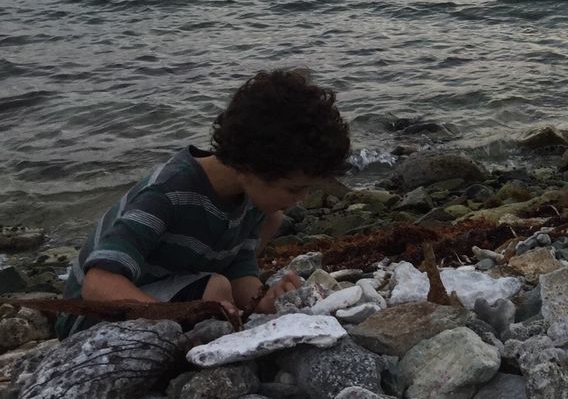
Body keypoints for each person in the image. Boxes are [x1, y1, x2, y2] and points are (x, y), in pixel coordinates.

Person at [56, 67, 351, 338]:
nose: (301, 200)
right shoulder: (168, 193)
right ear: (250, 167)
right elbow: (98, 284)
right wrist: (168, 323)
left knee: (229, 274)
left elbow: (239, 271)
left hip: (167, 290)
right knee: (215, 288)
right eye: (294, 189)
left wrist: (263, 301)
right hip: (89, 316)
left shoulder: (254, 203)